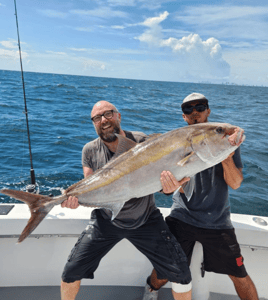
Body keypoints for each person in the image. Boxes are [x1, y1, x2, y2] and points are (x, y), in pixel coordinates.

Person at [60, 100, 192, 300]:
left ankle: (151, 288)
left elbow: (160, 177)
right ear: (93, 123)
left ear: (119, 116)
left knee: (181, 273)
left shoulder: (141, 141)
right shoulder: (89, 150)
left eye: (108, 114)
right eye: (97, 118)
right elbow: (90, 187)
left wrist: (169, 189)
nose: (103, 120)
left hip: (145, 219)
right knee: (71, 271)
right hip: (106, 220)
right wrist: (74, 198)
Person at [160, 93, 259, 299]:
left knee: (239, 274)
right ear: (183, 117)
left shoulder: (225, 142)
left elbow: (235, 183)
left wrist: (226, 155)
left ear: (208, 111)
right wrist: (168, 186)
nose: (194, 112)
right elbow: (169, 187)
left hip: (217, 221)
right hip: (182, 216)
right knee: (164, 271)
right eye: (188, 109)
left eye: (200, 107)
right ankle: (150, 291)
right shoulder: (173, 144)